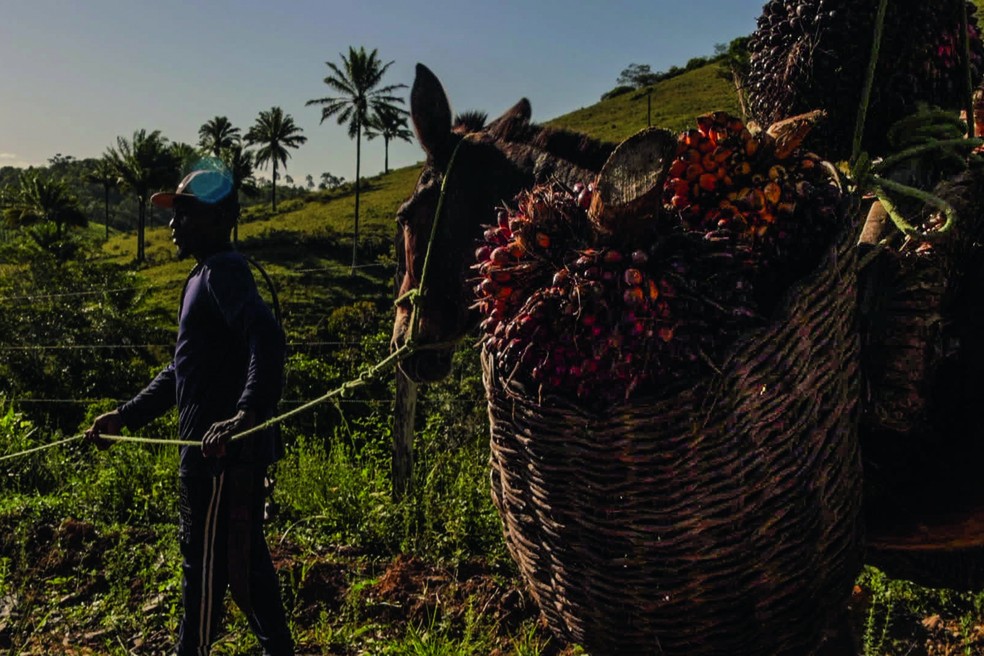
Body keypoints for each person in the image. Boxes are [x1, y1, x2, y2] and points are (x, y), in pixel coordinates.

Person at [85, 168, 294, 656]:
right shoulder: (202, 278)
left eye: (184, 213)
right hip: (215, 456)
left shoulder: (224, 271)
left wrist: (244, 415)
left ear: (219, 218)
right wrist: (125, 416)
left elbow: (267, 337)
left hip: (217, 459)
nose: (173, 224)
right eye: (172, 213)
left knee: (201, 578)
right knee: (247, 572)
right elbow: (181, 371)